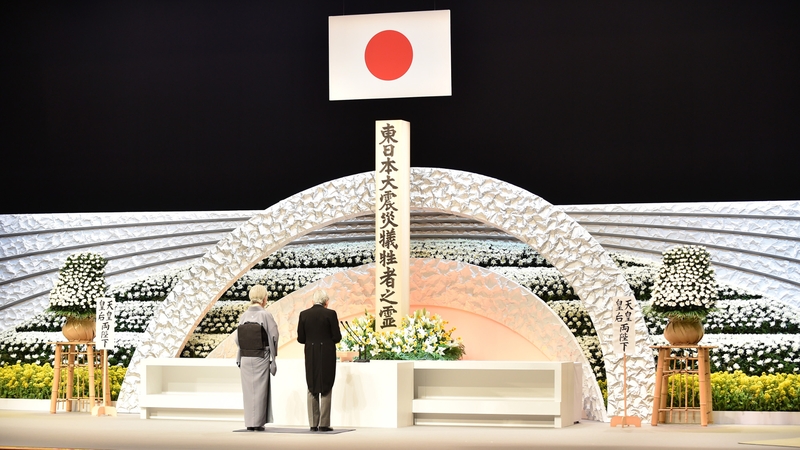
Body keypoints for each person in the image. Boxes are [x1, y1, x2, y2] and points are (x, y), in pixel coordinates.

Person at [235, 284, 279, 431]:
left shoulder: (244, 315)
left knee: (248, 391)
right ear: (263, 298)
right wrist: (273, 356)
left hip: (246, 357)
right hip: (261, 356)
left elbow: (237, 339)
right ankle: (258, 423)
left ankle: (250, 423)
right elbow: (274, 336)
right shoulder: (265, 315)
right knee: (260, 390)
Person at [296, 289, 342, 432]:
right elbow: (336, 337)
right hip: (327, 353)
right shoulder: (330, 314)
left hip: (311, 353)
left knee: (312, 385)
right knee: (327, 385)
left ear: (312, 301)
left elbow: (301, 338)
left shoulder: (304, 314)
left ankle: (313, 423)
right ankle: (324, 423)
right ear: (326, 302)